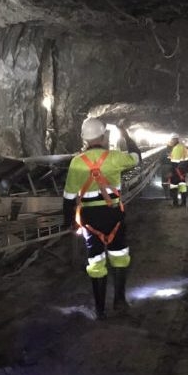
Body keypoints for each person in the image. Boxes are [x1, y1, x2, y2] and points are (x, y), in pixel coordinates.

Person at [62, 118, 141, 320]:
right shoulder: (114, 157)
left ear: (84, 139)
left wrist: (70, 222)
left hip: (90, 219)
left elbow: (69, 198)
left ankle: (100, 310)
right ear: (103, 136)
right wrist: (126, 135)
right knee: (120, 256)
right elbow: (136, 157)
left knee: (96, 261)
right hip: (113, 215)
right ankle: (120, 301)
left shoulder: (76, 162)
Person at [168, 134, 188, 207]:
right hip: (183, 171)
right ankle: (184, 203)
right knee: (182, 186)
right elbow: (186, 160)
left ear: (175, 140)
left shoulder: (176, 148)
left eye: (172, 140)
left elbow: (175, 163)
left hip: (177, 171)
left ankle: (175, 203)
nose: (171, 141)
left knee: (174, 187)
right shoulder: (183, 147)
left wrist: (171, 172)